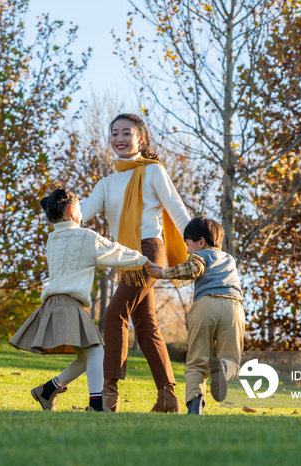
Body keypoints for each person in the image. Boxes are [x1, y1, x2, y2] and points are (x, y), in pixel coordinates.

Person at [80, 113, 191, 413]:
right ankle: (167, 398)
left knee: (113, 315)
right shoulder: (107, 183)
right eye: (114, 133)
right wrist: (60, 209)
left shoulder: (153, 172)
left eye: (126, 133)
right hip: (124, 258)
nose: (119, 138)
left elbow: (178, 211)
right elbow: (82, 211)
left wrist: (203, 244)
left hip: (148, 254)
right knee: (146, 326)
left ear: (140, 138)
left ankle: (108, 395)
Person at [9, 188, 153, 412]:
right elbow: (114, 252)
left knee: (87, 357)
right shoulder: (85, 237)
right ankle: (96, 404)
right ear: (71, 210)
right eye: (80, 207)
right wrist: (144, 259)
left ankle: (47, 391)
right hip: (69, 303)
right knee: (96, 351)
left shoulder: (52, 239)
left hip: (54, 304)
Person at [145, 216, 245, 415]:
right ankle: (223, 369)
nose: (187, 251)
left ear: (201, 242)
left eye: (188, 245)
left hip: (205, 304)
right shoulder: (229, 259)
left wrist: (162, 273)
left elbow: (193, 268)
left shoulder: (201, 256)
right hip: (234, 307)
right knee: (232, 359)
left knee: (197, 361)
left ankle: (195, 405)